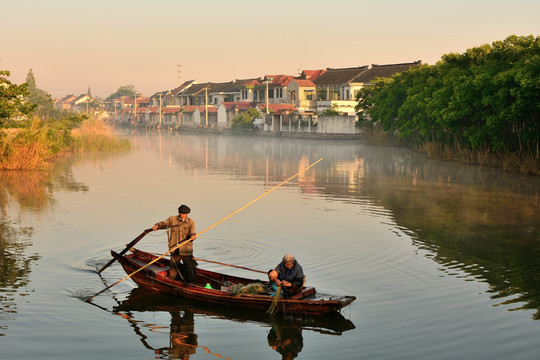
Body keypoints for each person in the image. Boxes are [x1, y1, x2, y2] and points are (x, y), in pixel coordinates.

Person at [152, 204, 197, 282]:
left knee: (190, 269)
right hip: (175, 249)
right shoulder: (172, 219)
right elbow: (164, 223)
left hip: (186, 250)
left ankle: (191, 284)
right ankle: (171, 282)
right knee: (173, 269)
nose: (184, 216)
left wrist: (192, 237)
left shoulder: (191, 222)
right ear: (179, 212)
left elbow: (192, 234)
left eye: (185, 214)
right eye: (182, 214)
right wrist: (157, 225)